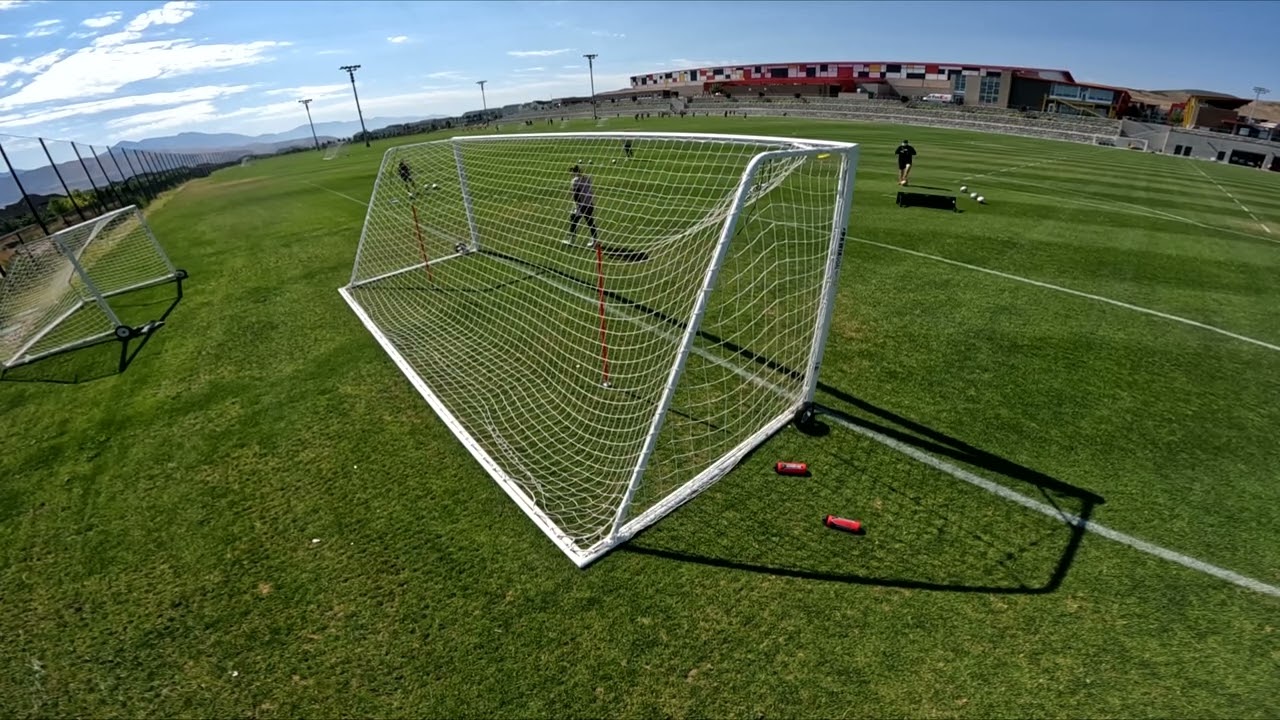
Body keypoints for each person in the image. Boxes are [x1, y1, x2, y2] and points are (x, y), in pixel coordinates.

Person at [565, 164, 599, 247]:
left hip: (581, 204)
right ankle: (594, 240)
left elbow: (576, 194)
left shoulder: (575, 180)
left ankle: (572, 240)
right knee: (590, 221)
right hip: (589, 202)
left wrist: (577, 205)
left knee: (573, 219)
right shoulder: (587, 178)